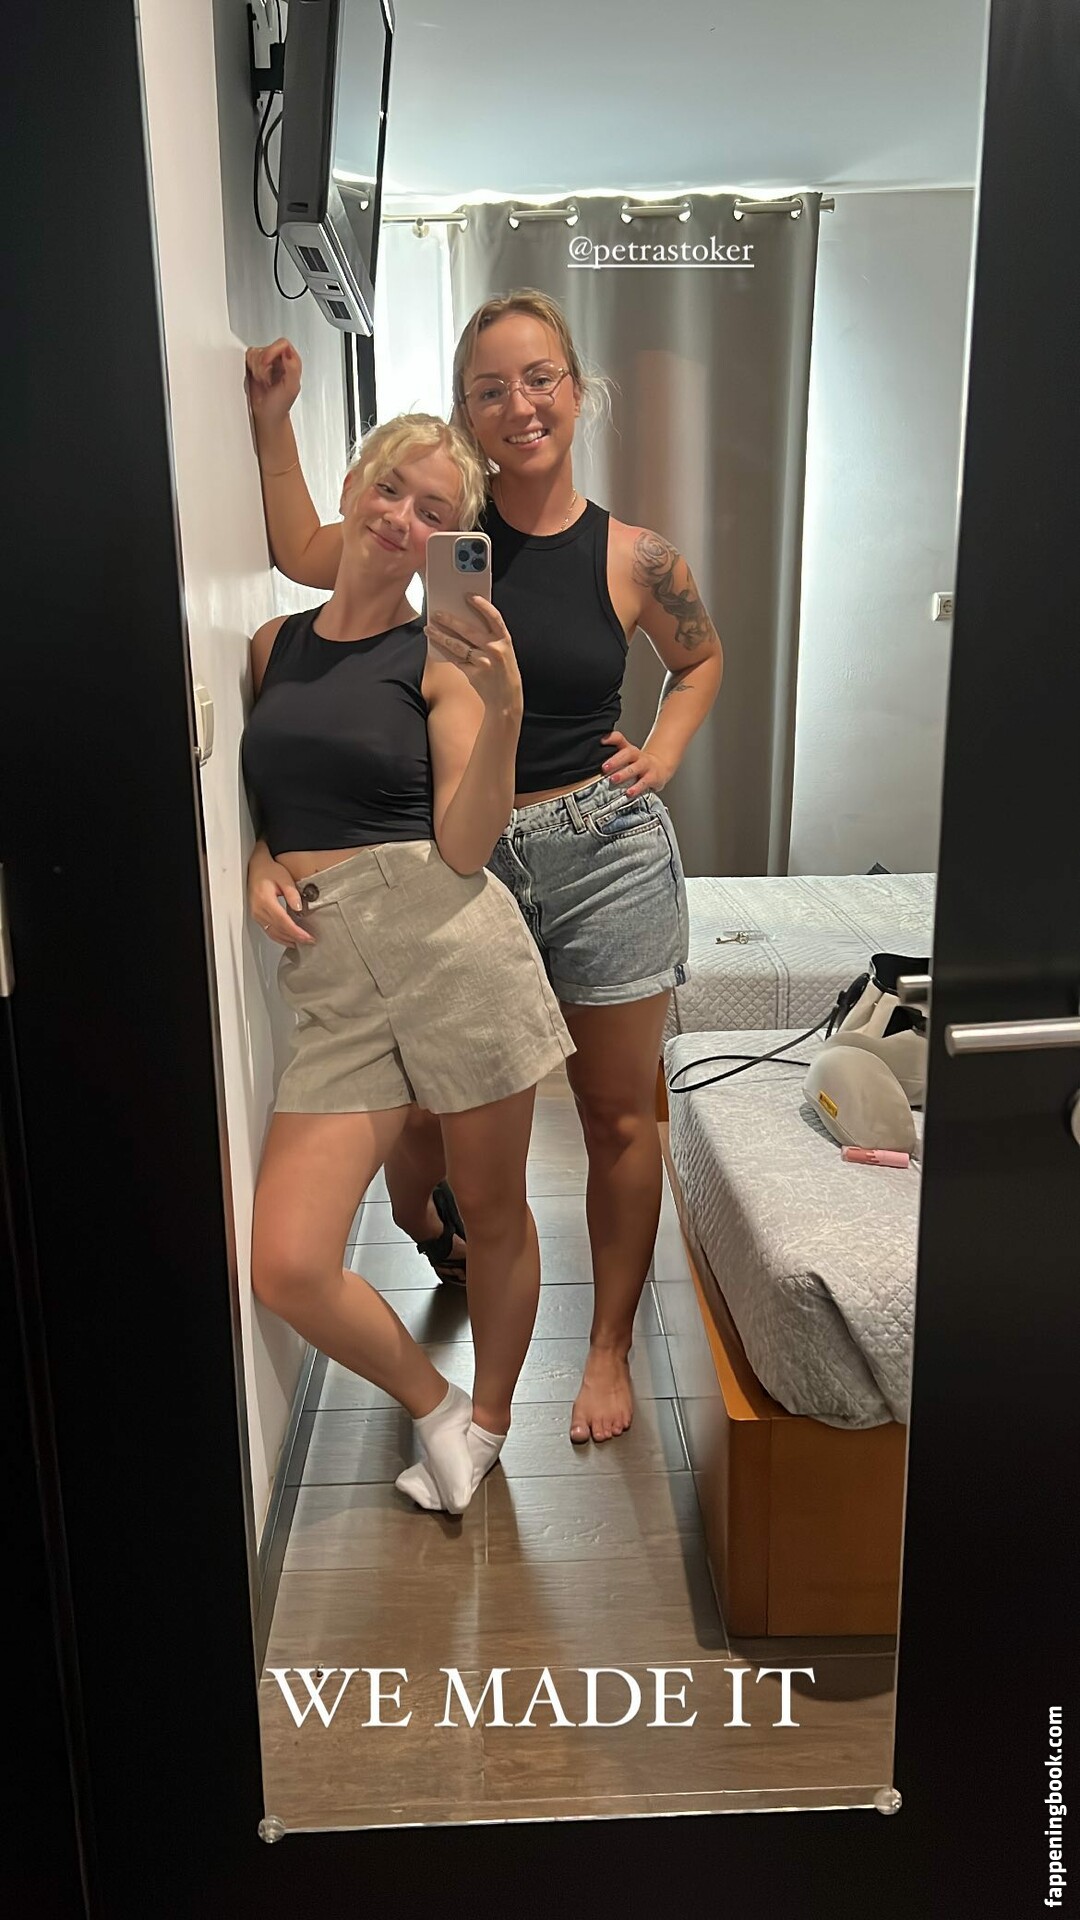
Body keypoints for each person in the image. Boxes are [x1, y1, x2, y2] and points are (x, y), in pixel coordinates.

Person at [245, 289, 723, 1445]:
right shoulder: (445, 537)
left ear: (577, 388)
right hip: (461, 862)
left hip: (603, 853)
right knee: (419, 1119)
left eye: (540, 378)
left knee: (616, 1119)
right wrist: (273, 423)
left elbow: (700, 660)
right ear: (468, 410)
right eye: (491, 387)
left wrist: (661, 751)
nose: (521, 405)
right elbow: (306, 552)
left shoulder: (637, 554)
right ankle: (436, 1238)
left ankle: (605, 1349)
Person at [242, 407, 574, 1514]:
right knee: (289, 1261)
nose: (401, 519)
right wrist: (257, 860)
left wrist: (506, 708)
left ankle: (490, 1425)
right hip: (334, 976)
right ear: (353, 488)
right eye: (390, 490)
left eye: (434, 512)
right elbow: (277, 789)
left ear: (452, 544)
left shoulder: (439, 660)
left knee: (494, 1209)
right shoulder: (270, 646)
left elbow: (467, 845)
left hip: (449, 948)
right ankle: (435, 1404)